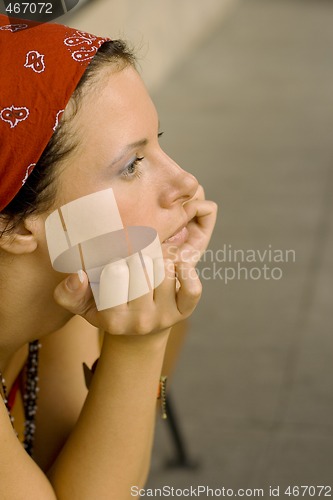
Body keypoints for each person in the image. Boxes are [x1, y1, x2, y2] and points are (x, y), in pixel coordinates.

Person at [0, 13, 217, 499]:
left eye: (158, 146)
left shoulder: (65, 289)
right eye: (131, 165)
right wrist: (140, 348)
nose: (188, 186)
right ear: (13, 224)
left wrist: (146, 333)